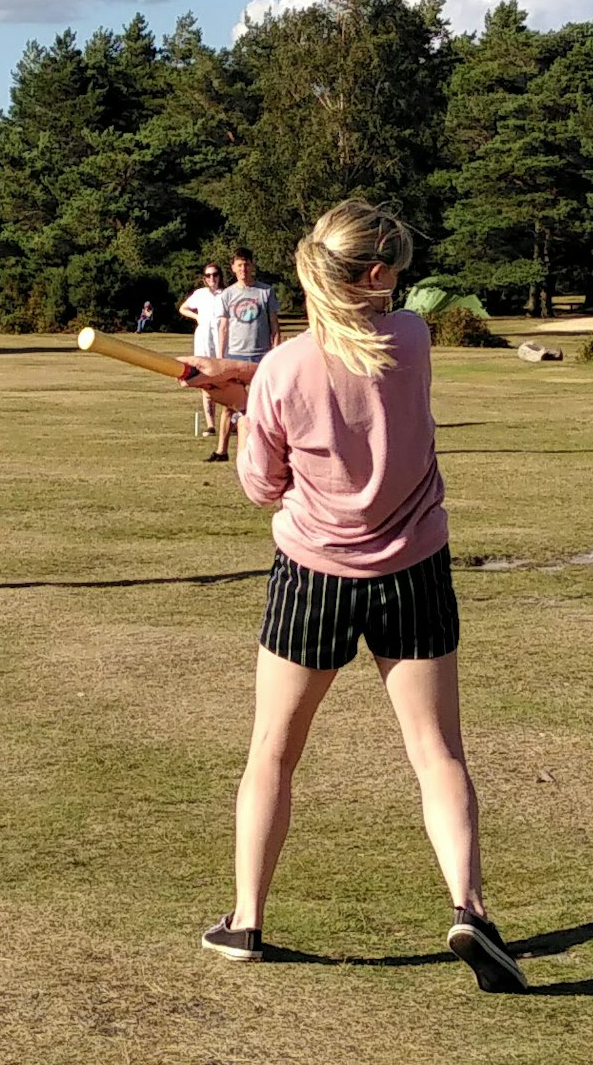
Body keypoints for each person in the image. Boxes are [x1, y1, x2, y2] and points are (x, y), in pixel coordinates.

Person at [185, 199, 519, 989]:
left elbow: (263, 488)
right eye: (395, 271)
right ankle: (469, 908)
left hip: (314, 577)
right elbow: (350, 377)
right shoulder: (412, 337)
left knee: (273, 751)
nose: (401, 286)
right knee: (437, 754)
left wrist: (249, 398)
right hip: (414, 571)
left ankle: (246, 920)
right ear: (373, 276)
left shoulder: (283, 373)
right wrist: (256, 388)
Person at [209, 247, 278, 463]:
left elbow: (274, 326)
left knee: (261, 405)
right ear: (233, 268)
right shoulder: (227, 294)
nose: (243, 269)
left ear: (252, 266)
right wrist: (220, 358)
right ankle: (221, 450)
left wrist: (275, 352)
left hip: (260, 355)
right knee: (230, 404)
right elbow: (223, 328)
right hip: (235, 355)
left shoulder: (265, 292)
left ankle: (263, 451)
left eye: (246, 264)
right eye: (239, 265)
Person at [179, 259, 229, 456]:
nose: (212, 278)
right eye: (208, 275)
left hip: (221, 341)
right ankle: (210, 425)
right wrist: (197, 317)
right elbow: (183, 308)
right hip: (203, 341)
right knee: (204, 382)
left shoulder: (227, 293)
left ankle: (229, 421)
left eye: (215, 275)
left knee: (224, 381)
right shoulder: (199, 294)